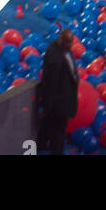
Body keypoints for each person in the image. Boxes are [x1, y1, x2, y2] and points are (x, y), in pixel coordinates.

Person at [35, 28, 79, 156]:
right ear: (63, 41)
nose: (71, 46)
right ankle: (56, 151)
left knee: (47, 122)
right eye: (69, 43)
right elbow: (52, 82)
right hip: (59, 101)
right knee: (58, 130)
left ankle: (41, 143)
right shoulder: (57, 59)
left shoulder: (55, 47)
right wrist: (48, 102)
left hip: (57, 99)